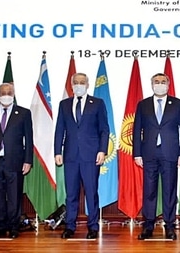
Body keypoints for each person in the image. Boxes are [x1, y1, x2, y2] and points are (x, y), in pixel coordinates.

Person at [133, 73, 180, 240]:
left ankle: (170, 225)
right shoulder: (143, 105)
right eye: (156, 82)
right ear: (151, 84)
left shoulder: (177, 104)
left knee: (169, 191)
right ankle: (148, 225)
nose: (160, 84)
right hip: (149, 153)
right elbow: (137, 130)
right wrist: (137, 153)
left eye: (163, 82)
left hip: (170, 153)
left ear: (168, 84)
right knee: (149, 191)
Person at [54, 72, 110, 239]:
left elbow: (104, 129)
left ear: (87, 84)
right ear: (72, 85)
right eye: (76, 82)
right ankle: (69, 226)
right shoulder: (64, 104)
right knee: (71, 194)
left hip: (91, 156)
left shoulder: (97, 103)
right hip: (70, 156)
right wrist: (58, 151)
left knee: (91, 192)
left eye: (82, 82)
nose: (79, 84)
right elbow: (59, 130)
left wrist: (102, 150)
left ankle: (93, 227)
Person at [0, 83, 33, 239]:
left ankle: (15, 227)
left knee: (15, 196)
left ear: (14, 94)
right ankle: (0, 228)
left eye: (9, 92)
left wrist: (28, 160)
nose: (6, 95)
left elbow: (29, 139)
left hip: (15, 161)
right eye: (3, 92)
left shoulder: (23, 113)